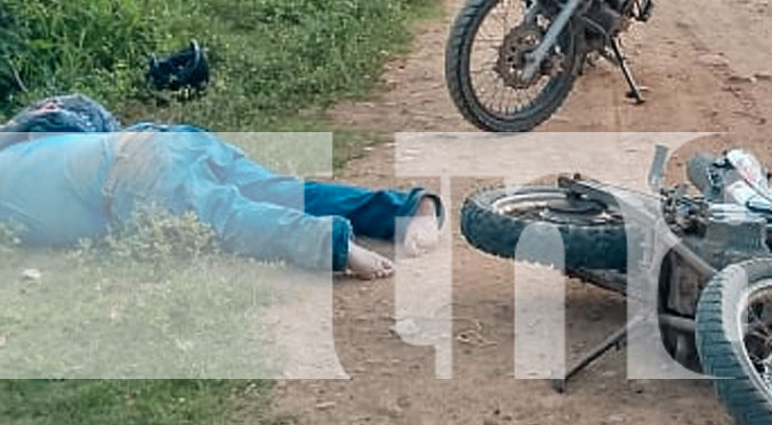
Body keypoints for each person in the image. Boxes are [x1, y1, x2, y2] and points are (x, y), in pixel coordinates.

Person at [0, 95, 443, 280]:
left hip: (130, 181)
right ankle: (406, 208)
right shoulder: (19, 141)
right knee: (282, 190)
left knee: (227, 218)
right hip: (162, 140)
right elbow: (77, 117)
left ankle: (334, 245)